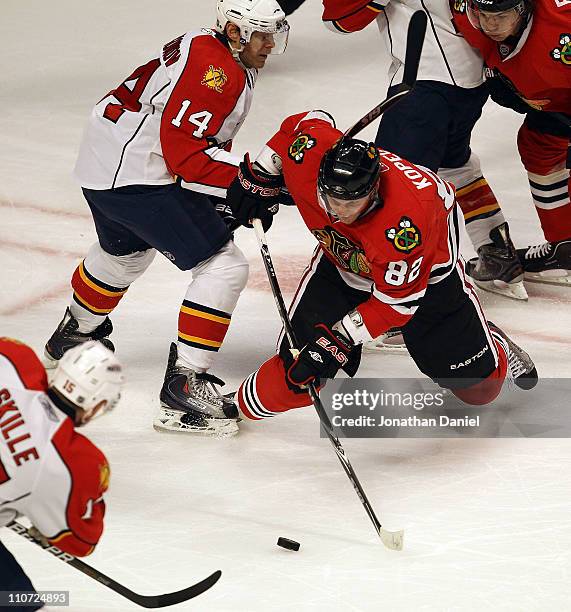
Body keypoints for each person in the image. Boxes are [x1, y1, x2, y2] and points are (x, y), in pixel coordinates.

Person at [43, 0, 290, 436]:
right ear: (234, 31)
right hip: (137, 178)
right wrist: (251, 182)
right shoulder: (216, 74)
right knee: (224, 264)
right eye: (261, 34)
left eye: (274, 33)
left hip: (103, 168)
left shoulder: (208, 45)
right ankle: (184, 387)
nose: (270, 44)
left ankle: (75, 334)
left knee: (125, 253)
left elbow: (187, 147)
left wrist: (238, 186)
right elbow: (187, 158)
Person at [224, 110, 537, 424]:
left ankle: (492, 342)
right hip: (345, 264)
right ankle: (230, 410)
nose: (338, 211)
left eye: (350, 204)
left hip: (426, 274)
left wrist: (340, 338)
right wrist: (259, 174)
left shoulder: (405, 229)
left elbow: (396, 304)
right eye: (331, 199)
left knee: (479, 390)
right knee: (300, 368)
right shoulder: (311, 152)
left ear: (373, 192)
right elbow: (302, 123)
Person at [320, 0, 528, 301]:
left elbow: (339, 20)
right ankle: (496, 252)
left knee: (391, 188)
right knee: (454, 164)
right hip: (472, 78)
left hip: (425, 86)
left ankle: (397, 297)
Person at [452, 0, 571, 285]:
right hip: (553, 100)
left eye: (501, 15)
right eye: (484, 15)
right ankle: (565, 246)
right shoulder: (465, 10)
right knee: (538, 145)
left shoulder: (561, 32)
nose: (490, 25)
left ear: (524, 9)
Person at [0, 338, 123, 609]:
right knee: (16, 601)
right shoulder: (72, 462)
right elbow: (81, 541)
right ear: (96, 406)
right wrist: (51, 526)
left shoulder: (12, 357)